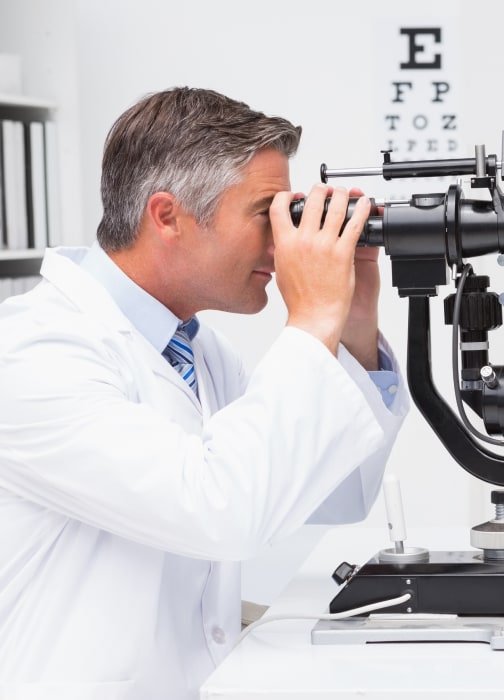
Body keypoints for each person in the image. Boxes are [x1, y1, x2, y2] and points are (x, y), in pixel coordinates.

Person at [0, 87, 409, 700]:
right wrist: (312, 316)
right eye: (265, 213)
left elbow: (335, 492)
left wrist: (351, 319)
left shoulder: (195, 349)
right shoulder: (34, 353)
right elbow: (220, 510)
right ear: (167, 216)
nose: (282, 242)